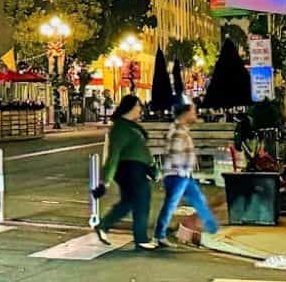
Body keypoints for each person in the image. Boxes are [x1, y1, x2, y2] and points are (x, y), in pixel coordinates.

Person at [93, 94, 158, 251]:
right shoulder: (121, 128)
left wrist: (153, 168)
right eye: (138, 106)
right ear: (130, 107)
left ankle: (104, 225)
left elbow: (142, 151)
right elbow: (114, 155)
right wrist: (105, 182)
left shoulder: (131, 126)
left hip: (136, 168)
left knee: (129, 202)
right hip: (130, 170)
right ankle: (141, 238)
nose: (140, 109)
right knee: (142, 201)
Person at [153, 100, 218, 247]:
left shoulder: (181, 130)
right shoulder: (177, 131)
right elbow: (175, 155)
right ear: (186, 113)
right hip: (177, 175)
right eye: (193, 111)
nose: (196, 114)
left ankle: (212, 228)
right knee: (171, 205)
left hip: (181, 175)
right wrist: (183, 174)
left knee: (197, 200)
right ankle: (159, 235)